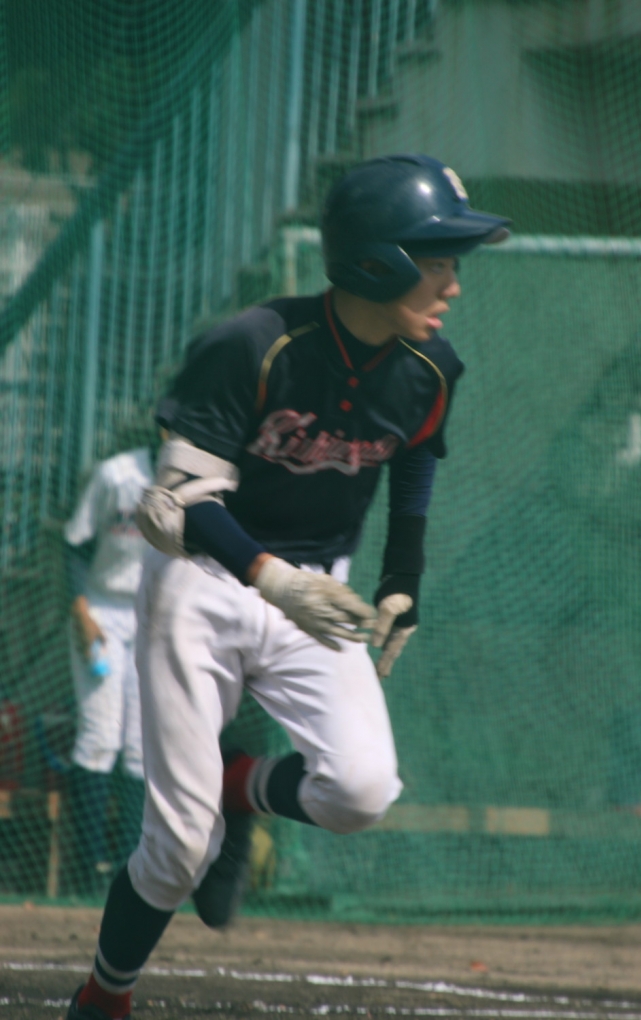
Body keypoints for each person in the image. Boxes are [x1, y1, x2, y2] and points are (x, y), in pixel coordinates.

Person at [67, 153, 509, 1019]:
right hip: (201, 582)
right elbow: (178, 504)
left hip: (318, 589)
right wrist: (272, 580)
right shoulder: (252, 344)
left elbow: (417, 456)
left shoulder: (430, 368)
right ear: (376, 262)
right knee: (178, 849)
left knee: (360, 792)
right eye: (438, 261)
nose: (454, 284)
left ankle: (240, 784)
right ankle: (103, 998)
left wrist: (402, 580)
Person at [65, 437, 155, 895]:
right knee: (100, 737)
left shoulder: (199, 481)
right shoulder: (118, 474)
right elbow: (76, 543)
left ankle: (128, 874)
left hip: (155, 618)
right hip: (101, 608)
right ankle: (86, 876)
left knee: (141, 747)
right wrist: (80, 609)